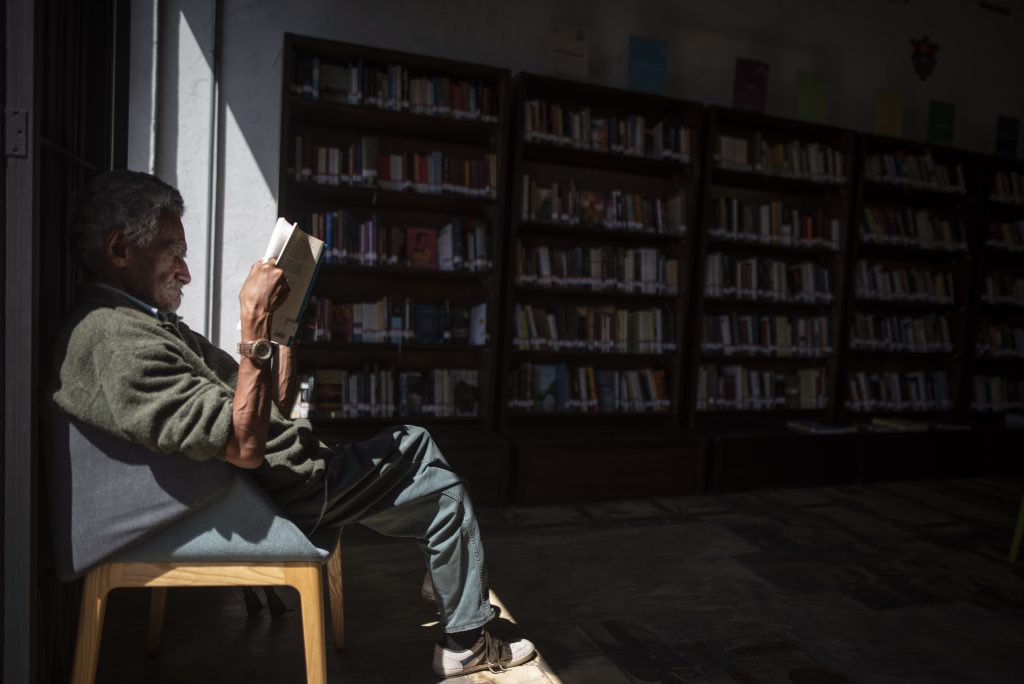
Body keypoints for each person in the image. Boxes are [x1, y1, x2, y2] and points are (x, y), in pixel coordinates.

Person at [49, 170, 535, 677]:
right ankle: (464, 634)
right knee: (440, 484)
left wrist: (279, 330)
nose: (186, 273)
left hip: (276, 476)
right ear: (120, 249)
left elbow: (270, 406)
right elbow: (245, 448)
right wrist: (252, 326)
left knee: (424, 463)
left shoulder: (140, 325)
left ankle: (451, 585)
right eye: (174, 252)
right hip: (284, 488)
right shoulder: (116, 341)